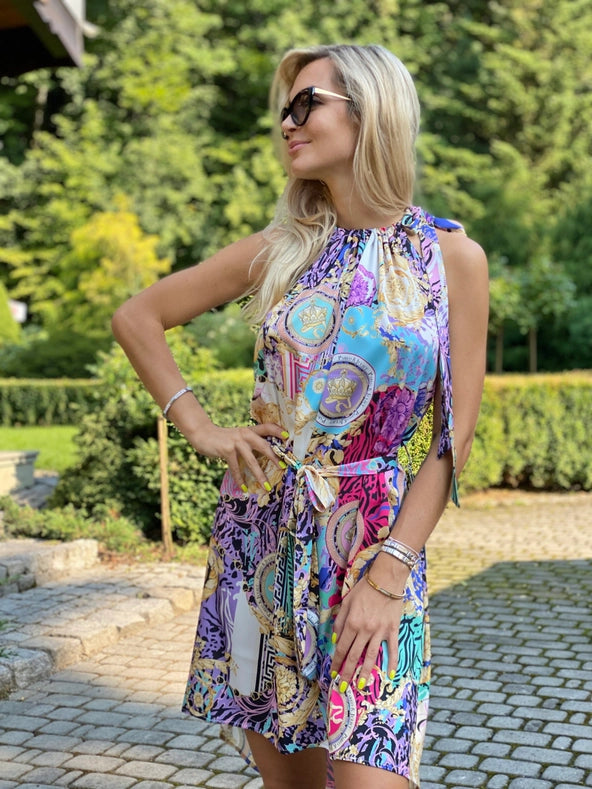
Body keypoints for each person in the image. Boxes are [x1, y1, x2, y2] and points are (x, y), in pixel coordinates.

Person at [112, 43, 488, 789]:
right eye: (285, 108)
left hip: (375, 545)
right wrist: (201, 428)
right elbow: (138, 316)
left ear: (371, 110)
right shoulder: (283, 248)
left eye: (308, 102)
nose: (288, 121)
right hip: (263, 539)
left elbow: (453, 438)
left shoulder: (450, 257)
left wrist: (391, 572)